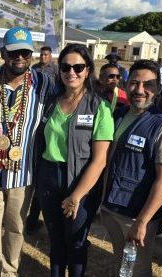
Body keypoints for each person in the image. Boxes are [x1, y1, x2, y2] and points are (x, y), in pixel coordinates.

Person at [0, 26, 54, 277]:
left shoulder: (43, 82)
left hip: (23, 172)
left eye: (25, 53)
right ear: (3, 52)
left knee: (16, 227)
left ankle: (9, 270)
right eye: (14, 52)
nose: (20, 58)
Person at [35, 44, 113, 276]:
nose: (72, 72)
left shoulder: (100, 107)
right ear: (59, 70)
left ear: (88, 70)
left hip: (81, 181)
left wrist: (76, 196)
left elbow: (100, 160)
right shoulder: (50, 101)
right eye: (66, 67)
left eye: (78, 67)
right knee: (56, 239)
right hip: (49, 177)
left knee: (76, 242)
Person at [101, 59, 162, 277]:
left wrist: (143, 221)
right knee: (120, 262)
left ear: (158, 88)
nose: (140, 90)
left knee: (136, 269)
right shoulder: (118, 114)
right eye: (134, 83)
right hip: (110, 207)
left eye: (148, 85)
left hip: (135, 216)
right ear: (126, 86)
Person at [26, 45, 58, 234]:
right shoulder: (34, 69)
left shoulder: (55, 70)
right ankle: (32, 219)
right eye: (42, 54)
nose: (43, 56)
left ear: (51, 56)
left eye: (46, 54)